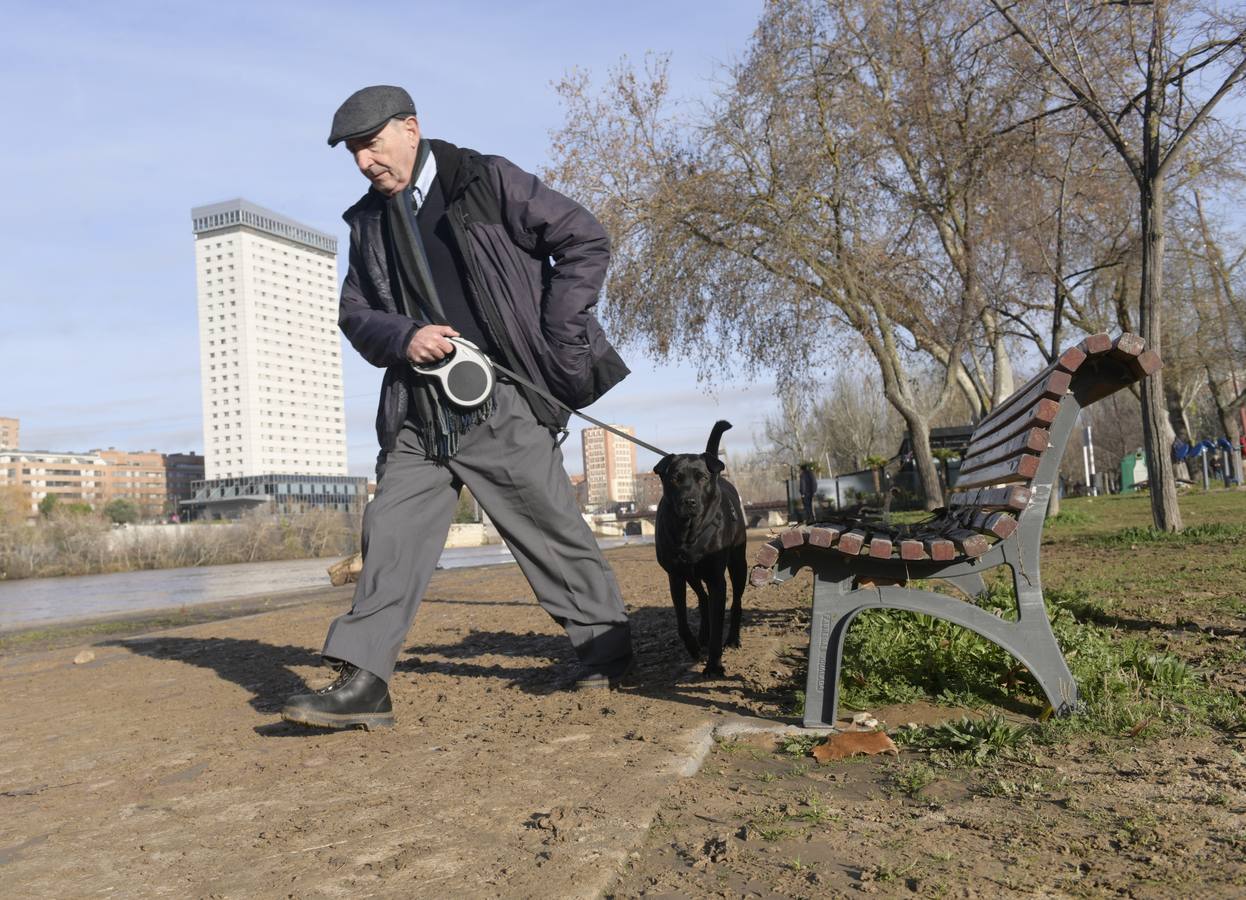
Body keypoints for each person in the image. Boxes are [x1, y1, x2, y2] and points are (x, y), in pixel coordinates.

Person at [282, 86, 634, 730]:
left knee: (547, 527)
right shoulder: (366, 222)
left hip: (501, 398)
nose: (364, 162)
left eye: (370, 145)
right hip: (417, 410)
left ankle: (604, 645)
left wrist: (556, 336)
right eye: (354, 153)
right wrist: (403, 336)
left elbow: (585, 239)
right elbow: (356, 314)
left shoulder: (486, 179)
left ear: (410, 129)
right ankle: (365, 680)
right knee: (389, 533)